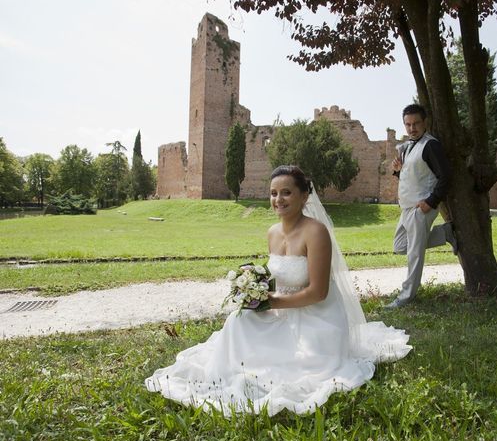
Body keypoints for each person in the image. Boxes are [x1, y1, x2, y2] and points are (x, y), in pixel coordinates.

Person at [145, 165, 412, 416]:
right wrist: (254, 291)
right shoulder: (272, 232)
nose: (278, 199)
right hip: (280, 309)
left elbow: (318, 292)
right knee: (238, 322)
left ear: (304, 195)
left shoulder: (316, 232)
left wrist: (271, 302)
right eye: (273, 193)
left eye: (286, 192)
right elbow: (275, 278)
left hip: (317, 318)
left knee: (301, 365)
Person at [384, 104, 457, 309]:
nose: (412, 128)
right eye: (408, 124)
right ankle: (446, 233)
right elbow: (415, 176)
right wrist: (399, 171)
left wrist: (430, 202)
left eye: (416, 123)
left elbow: (446, 176)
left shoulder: (431, 145)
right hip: (407, 208)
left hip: (420, 208)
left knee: (415, 254)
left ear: (424, 123)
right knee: (400, 246)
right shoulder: (409, 146)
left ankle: (406, 297)